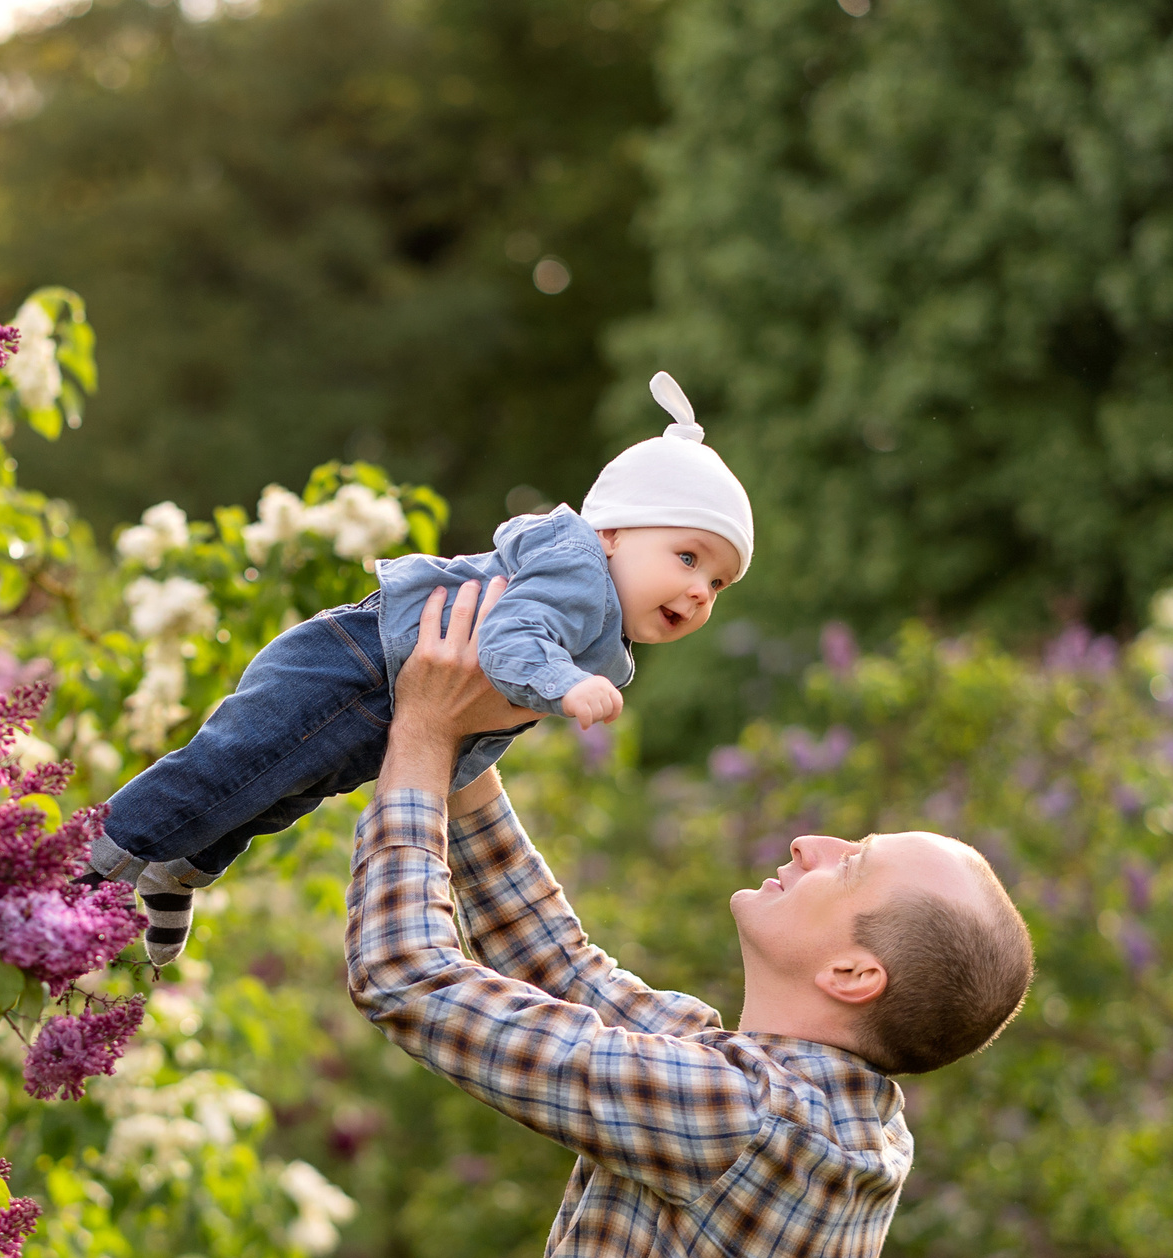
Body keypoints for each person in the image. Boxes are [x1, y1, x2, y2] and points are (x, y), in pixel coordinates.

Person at [346, 580, 1034, 1258]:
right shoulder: (795, 1104)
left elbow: (407, 980)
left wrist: (419, 739)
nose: (810, 841)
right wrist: (470, 741)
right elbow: (558, 970)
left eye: (848, 861)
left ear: (854, 975)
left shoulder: (737, 1117)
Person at [89, 373, 750, 967]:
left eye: (719, 583)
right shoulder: (579, 568)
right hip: (356, 661)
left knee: (275, 795)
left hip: (384, 707)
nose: (700, 592)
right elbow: (507, 640)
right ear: (612, 532)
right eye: (689, 557)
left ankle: (179, 870)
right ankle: (90, 865)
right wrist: (567, 683)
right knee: (234, 764)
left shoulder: (603, 625)